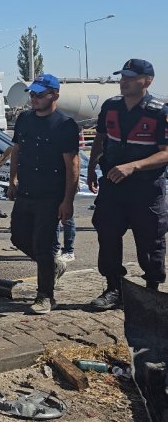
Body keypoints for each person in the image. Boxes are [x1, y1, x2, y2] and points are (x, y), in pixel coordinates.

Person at [87, 59, 168, 310]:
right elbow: (99, 140)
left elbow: (166, 153)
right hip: (112, 186)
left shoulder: (159, 111)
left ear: (147, 81)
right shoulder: (110, 107)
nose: (124, 81)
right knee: (108, 234)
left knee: (150, 240)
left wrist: (135, 166)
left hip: (146, 188)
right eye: (122, 77)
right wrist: (91, 168)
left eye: (130, 77)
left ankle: (151, 290)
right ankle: (114, 288)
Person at [7, 74, 80, 315]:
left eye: (40, 94)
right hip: (26, 191)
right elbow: (17, 150)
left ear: (54, 96)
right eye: (32, 94)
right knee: (18, 237)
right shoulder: (24, 120)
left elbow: (73, 165)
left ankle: (45, 296)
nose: (34, 99)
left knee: (44, 244)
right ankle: (53, 265)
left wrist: (67, 201)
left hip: (51, 196)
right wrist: (12, 180)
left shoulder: (64, 125)